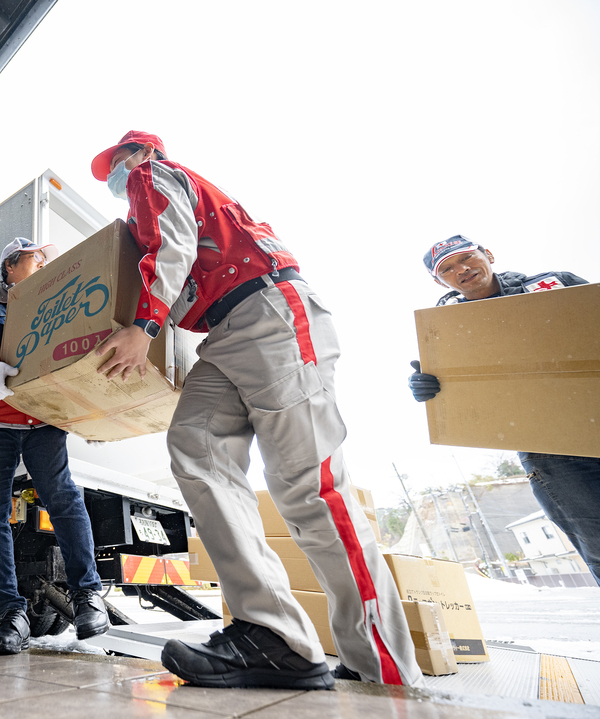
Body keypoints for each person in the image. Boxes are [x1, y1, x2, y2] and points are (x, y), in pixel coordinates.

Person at [90, 131, 421, 689]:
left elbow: (173, 250)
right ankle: (273, 634)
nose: (117, 177)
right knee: (194, 446)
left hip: (270, 314)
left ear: (144, 154)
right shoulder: (155, 208)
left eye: (119, 165)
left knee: (308, 489)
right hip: (228, 333)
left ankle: (379, 665)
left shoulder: (155, 176)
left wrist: (143, 327)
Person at [0, 237, 110, 654]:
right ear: (10, 268)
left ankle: (88, 596)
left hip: (44, 417)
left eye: (42, 259)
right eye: (33, 259)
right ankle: (9, 615)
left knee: (64, 498)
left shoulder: (52, 302)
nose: (40, 264)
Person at [408, 235, 598, 582]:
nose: (462, 270)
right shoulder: (446, 328)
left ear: (488, 255)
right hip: (555, 454)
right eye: (447, 269)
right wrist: (430, 389)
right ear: (439, 281)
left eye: (467, 258)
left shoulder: (554, 285)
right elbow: (466, 389)